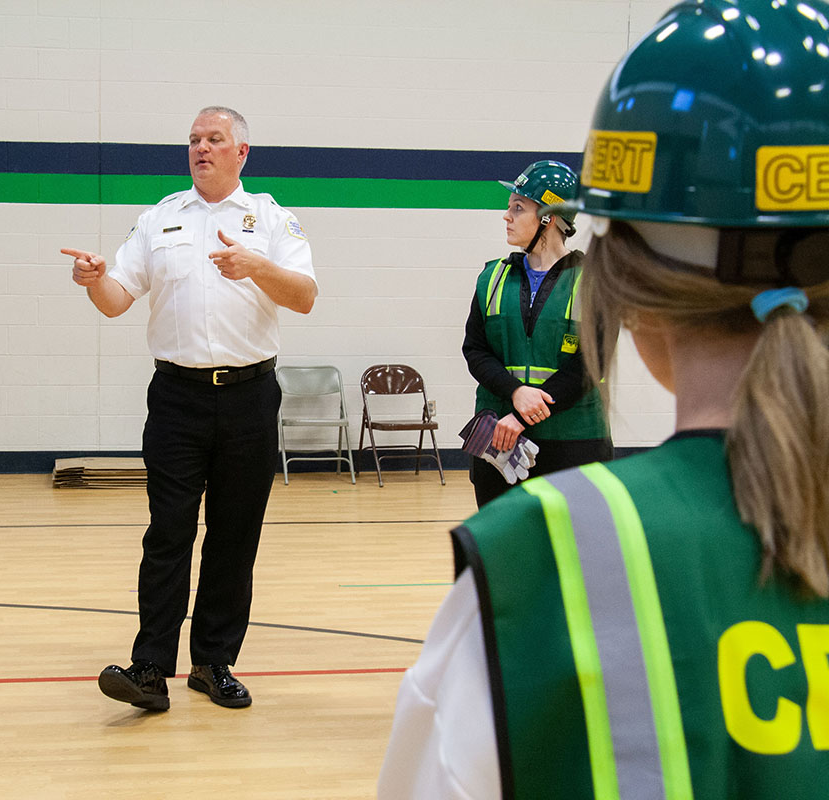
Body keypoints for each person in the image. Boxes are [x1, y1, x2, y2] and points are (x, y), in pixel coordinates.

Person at [380, 0, 829, 796]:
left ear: (629, 287)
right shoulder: (493, 278)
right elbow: (476, 346)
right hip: (511, 436)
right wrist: (509, 398)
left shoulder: (539, 563)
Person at [62, 106, 317, 711]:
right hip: (177, 397)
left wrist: (257, 266)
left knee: (234, 535)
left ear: (242, 152)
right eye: (195, 140)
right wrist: (93, 278)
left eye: (215, 139)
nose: (202, 148)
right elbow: (115, 301)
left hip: (252, 397)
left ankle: (213, 662)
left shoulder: (274, 219)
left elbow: (305, 297)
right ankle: (149, 668)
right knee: (168, 531)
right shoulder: (159, 219)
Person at [462, 159, 613, 507]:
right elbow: (475, 350)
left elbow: (592, 365)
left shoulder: (595, 283)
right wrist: (515, 393)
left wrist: (523, 414)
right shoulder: (491, 277)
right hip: (499, 439)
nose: (507, 216)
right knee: (504, 553)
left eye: (519, 207)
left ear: (549, 218)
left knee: (573, 553)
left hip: (575, 442)